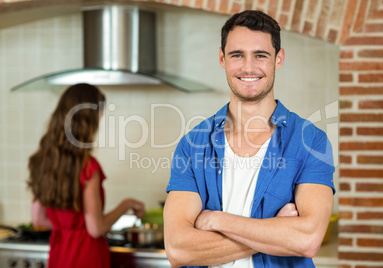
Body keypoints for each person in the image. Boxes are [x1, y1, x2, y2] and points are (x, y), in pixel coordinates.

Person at [163, 10, 335, 268]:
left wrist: (217, 220)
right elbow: (178, 249)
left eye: (260, 55)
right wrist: (276, 231)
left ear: (279, 59)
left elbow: (307, 239)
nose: (248, 67)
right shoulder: (193, 145)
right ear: (222, 58)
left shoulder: (311, 142)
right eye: (237, 55)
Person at [28, 83, 145, 268]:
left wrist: (67, 228)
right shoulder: (88, 168)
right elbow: (96, 228)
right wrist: (127, 204)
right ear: (88, 120)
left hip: (59, 255)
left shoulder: (41, 161)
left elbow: (38, 220)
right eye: (99, 115)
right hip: (87, 256)